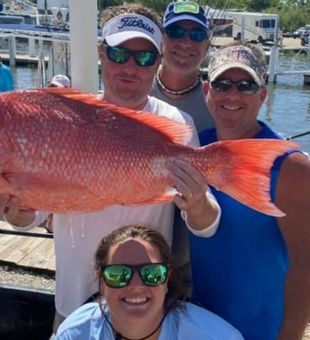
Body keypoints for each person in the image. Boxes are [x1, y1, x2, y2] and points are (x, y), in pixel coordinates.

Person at [0, 4, 220, 335]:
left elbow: (205, 225)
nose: (130, 66)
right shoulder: (64, 119)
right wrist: (18, 214)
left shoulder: (174, 124)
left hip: (142, 309)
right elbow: (35, 214)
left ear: (158, 62)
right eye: (119, 53)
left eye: (144, 57)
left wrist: (198, 200)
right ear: (102, 54)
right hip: (73, 303)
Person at [189, 42, 310, 340]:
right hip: (200, 324)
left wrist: (290, 335)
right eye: (222, 84)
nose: (232, 95)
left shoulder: (291, 166)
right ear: (207, 91)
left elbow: (305, 263)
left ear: (263, 95)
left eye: (245, 86)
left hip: (261, 330)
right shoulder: (195, 147)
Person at [56, 224, 243, 339]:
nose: (136, 285)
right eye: (119, 274)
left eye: (152, 273)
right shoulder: (74, 334)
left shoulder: (216, 337)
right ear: (102, 282)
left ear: (167, 279)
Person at [150, 0, 214, 132]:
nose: (185, 43)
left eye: (197, 35)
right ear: (160, 40)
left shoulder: (217, 105)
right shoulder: (136, 91)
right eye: (175, 32)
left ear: (207, 47)